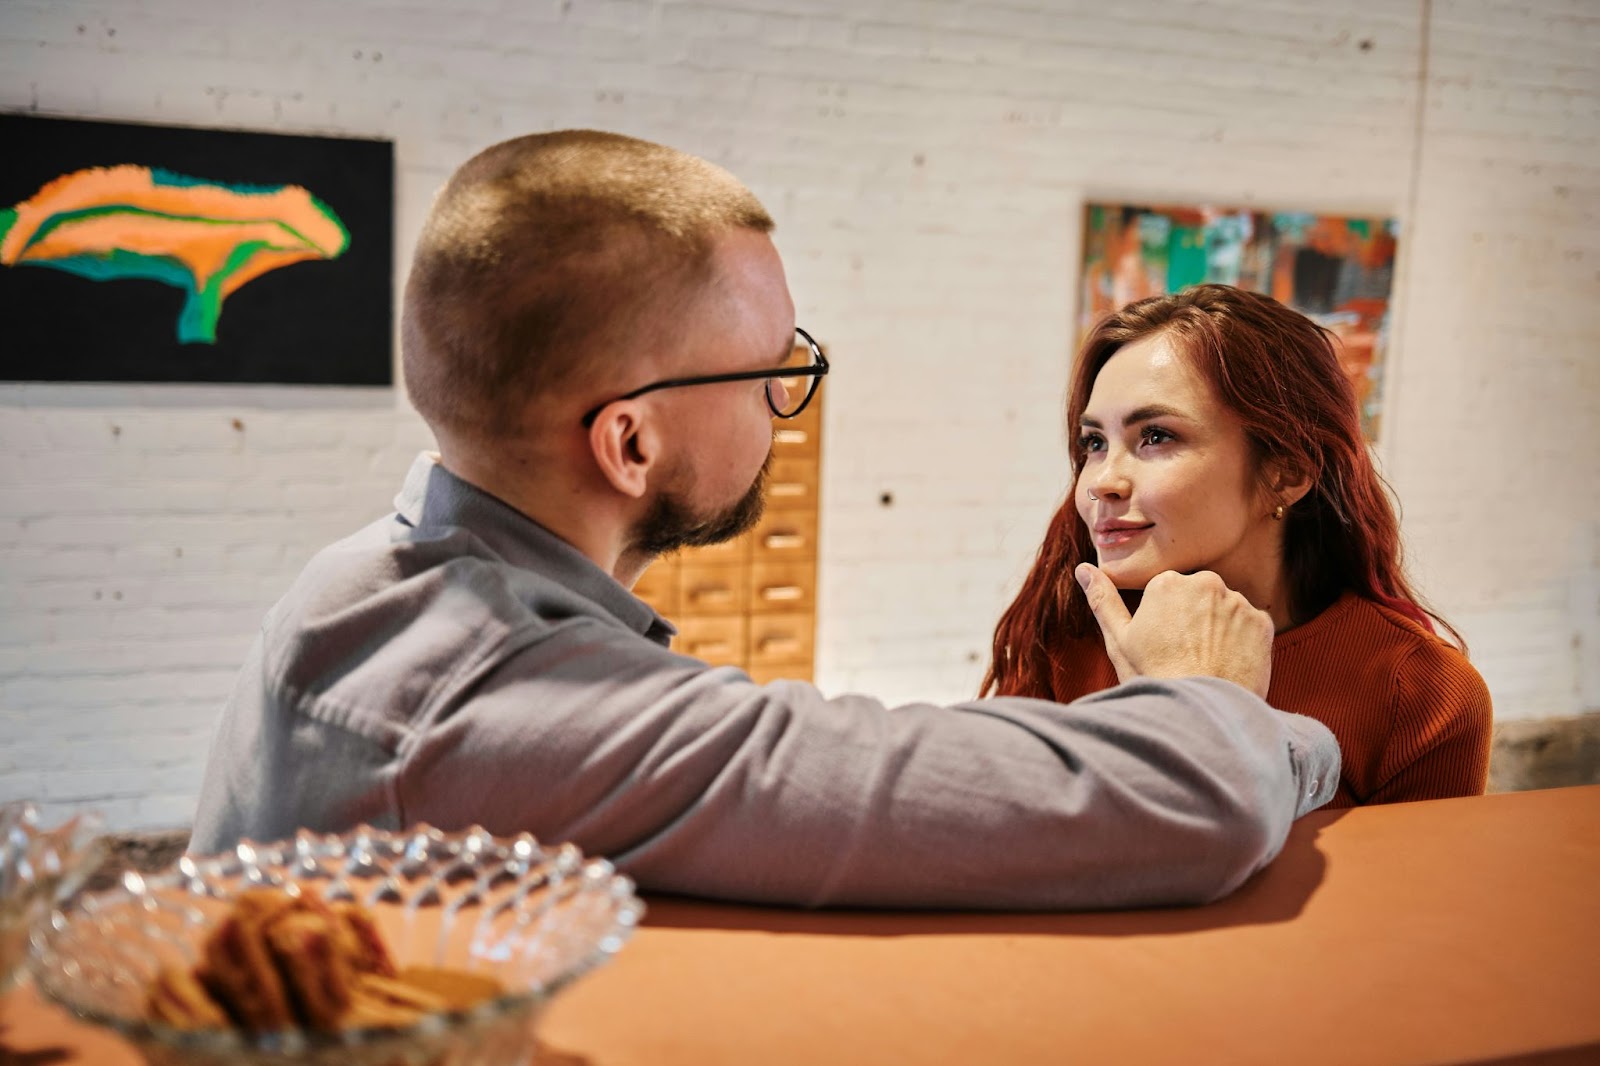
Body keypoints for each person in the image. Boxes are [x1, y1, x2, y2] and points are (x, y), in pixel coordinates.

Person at [190, 132, 1339, 910]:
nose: (786, 404)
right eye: (770, 371)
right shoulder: (520, 705)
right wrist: (1218, 697)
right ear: (630, 441)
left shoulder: (358, 581)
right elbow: (1186, 803)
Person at [984, 284, 1491, 808]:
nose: (1101, 481)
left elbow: (1418, 890)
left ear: (1287, 472)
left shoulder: (1419, 690)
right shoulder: (1068, 636)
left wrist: (1198, 715)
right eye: (1094, 443)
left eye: (1155, 436)